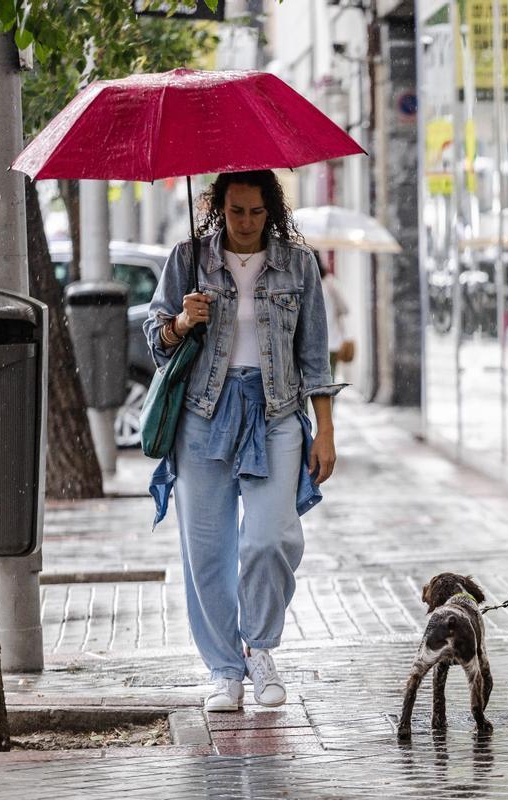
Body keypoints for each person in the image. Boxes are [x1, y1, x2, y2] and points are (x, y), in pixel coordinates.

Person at [144, 170, 344, 713]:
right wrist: (185, 320)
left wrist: (324, 430)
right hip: (203, 415)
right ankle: (225, 671)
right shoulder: (188, 260)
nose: (247, 223)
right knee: (207, 553)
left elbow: (314, 355)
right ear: (220, 209)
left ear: (271, 210)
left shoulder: (298, 265)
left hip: (276, 411)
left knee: (272, 539)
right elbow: (156, 342)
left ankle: (259, 647)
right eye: (237, 212)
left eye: (257, 212)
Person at [314, 251, 351, 379]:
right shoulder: (330, 284)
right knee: (329, 381)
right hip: (331, 341)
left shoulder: (301, 283)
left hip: (309, 344)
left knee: (308, 384)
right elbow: (345, 309)